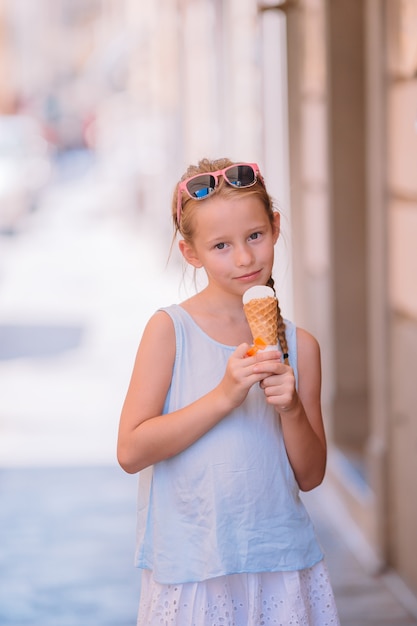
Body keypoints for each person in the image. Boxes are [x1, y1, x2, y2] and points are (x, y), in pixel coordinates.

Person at [117, 158, 340, 625]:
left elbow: (311, 474)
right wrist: (223, 396)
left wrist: (292, 407)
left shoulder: (301, 346)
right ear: (190, 252)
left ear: (275, 228)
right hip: (196, 568)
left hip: (280, 562)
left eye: (254, 236)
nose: (244, 258)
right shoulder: (169, 331)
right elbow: (131, 451)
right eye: (221, 245)